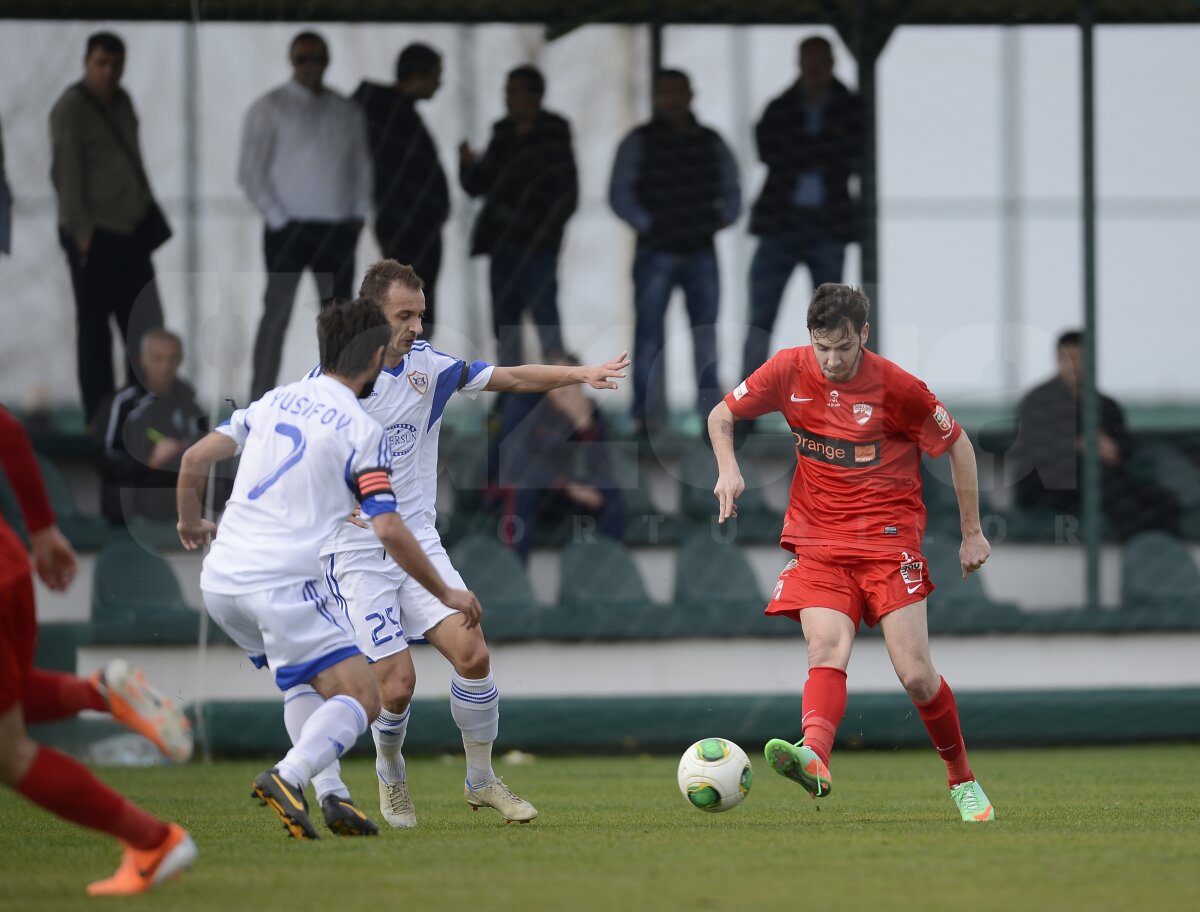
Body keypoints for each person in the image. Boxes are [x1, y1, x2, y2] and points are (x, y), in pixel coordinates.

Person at [309, 260, 627, 828]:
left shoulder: (429, 369)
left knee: (473, 654)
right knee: (397, 686)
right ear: (369, 318)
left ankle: (480, 780)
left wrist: (577, 375)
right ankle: (390, 771)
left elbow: (512, 377)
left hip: (418, 541)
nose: (415, 326)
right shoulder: (331, 385)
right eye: (403, 315)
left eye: (420, 315)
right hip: (356, 552)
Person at [176, 296, 480, 840]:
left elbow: (194, 459)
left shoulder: (274, 400)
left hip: (221, 580)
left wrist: (192, 522)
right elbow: (388, 529)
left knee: (303, 684)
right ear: (371, 355)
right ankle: (288, 775)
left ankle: (334, 797)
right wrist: (446, 593)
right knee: (363, 695)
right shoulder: (360, 430)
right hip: (281, 581)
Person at [708, 283, 995, 823]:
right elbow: (719, 415)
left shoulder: (897, 387)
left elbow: (958, 444)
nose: (833, 359)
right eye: (823, 346)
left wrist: (972, 531)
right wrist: (728, 467)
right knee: (825, 648)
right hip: (818, 542)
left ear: (864, 334)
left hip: (889, 545)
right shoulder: (787, 370)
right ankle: (814, 754)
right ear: (810, 338)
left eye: (844, 346)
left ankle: (963, 780)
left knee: (915, 675)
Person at [0, 405, 196, 895]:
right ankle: (102, 693)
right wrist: (41, 531)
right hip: (7, 563)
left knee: (9, 751)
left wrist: (44, 529)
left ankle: (153, 840)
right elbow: (9, 430)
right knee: (11, 701)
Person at [238, 31, 373, 400]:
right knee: (276, 316)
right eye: (303, 59)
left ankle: (340, 392)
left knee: (339, 319)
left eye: (317, 58)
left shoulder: (346, 111)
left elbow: (362, 167)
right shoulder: (270, 107)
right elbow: (251, 172)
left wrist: (358, 215)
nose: (311, 66)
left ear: (327, 61)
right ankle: (258, 397)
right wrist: (280, 219)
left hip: (336, 228)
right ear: (292, 61)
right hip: (288, 229)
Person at [609, 69, 740, 435]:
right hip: (656, 251)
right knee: (649, 334)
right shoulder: (640, 142)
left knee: (705, 335)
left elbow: (733, 193)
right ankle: (646, 418)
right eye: (664, 92)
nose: (671, 99)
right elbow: (620, 195)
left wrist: (715, 221)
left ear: (689, 94)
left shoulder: (709, 141)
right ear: (656, 96)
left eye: (677, 91)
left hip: (699, 250)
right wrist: (653, 225)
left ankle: (710, 418)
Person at [51, 31, 166, 425]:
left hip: (130, 233)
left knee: (145, 326)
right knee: (95, 332)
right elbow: (65, 174)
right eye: (102, 63)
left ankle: (145, 408)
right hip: (94, 235)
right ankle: (100, 416)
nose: (109, 72)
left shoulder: (124, 102)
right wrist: (81, 234)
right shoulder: (72, 108)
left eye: (116, 64)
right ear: (87, 63)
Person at [741, 36, 863, 383]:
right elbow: (768, 149)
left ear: (831, 63)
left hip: (827, 225)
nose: (815, 68)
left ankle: (834, 398)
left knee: (832, 320)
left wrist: (802, 152)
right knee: (760, 315)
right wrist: (823, 149)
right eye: (809, 60)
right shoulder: (782, 105)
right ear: (800, 63)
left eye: (821, 61)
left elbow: (851, 153)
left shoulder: (848, 105)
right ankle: (747, 402)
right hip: (780, 223)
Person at [1010, 329, 1181, 540]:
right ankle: (1133, 544)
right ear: (1058, 360)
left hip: (1102, 479)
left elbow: (1126, 444)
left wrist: (1111, 448)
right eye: (1069, 359)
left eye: (1081, 359)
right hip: (1049, 484)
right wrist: (1076, 446)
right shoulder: (1038, 401)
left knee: (1162, 498)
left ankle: (1160, 547)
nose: (1075, 366)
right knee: (1107, 487)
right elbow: (1030, 448)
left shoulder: (1106, 405)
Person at [459, 65, 577, 366]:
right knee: (506, 327)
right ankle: (509, 401)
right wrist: (466, 166)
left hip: (538, 247)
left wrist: (543, 236)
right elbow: (479, 185)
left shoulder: (553, 132)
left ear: (535, 95)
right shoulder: (502, 133)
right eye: (508, 92)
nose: (510, 99)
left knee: (547, 324)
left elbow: (566, 193)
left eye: (517, 91)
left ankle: (560, 396)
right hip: (503, 244)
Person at [353, 43, 450, 342]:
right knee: (408, 305)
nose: (439, 83)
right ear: (417, 74)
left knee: (415, 305)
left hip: (415, 221)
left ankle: (414, 376)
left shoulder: (397, 112)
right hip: (406, 222)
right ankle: (405, 377)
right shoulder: (385, 112)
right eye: (436, 75)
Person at [494, 352, 625, 563]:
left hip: (561, 493)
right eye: (560, 381)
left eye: (573, 383)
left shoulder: (587, 410)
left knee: (610, 493)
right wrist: (566, 485)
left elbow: (602, 469)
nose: (567, 391)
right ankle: (515, 572)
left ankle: (612, 568)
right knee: (521, 494)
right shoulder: (524, 404)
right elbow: (514, 463)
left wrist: (586, 427)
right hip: (519, 488)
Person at [93, 328, 207, 526]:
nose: (165, 366)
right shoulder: (122, 403)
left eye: (172, 359)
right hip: (133, 505)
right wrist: (148, 460)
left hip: (179, 502)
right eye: (158, 358)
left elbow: (205, 449)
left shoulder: (190, 404)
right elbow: (104, 458)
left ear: (180, 360)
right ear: (142, 360)